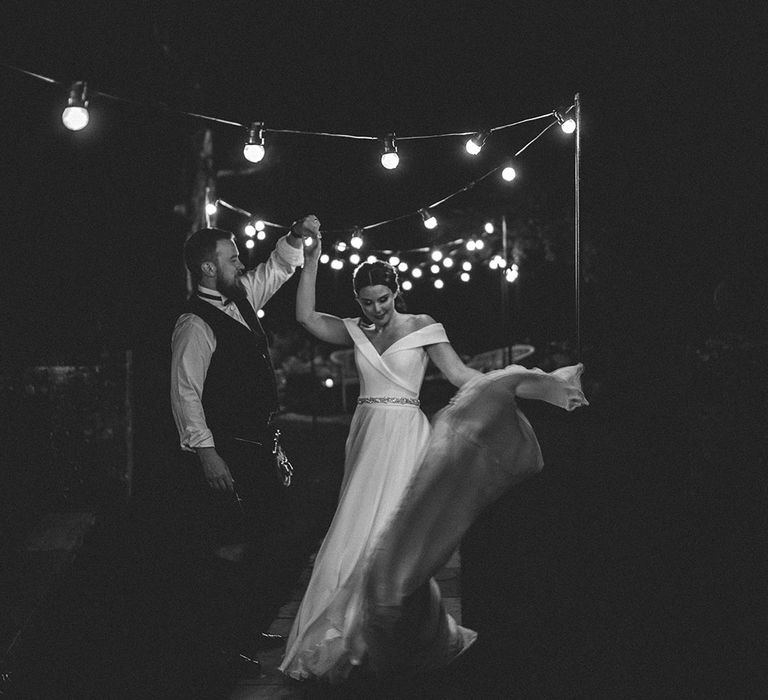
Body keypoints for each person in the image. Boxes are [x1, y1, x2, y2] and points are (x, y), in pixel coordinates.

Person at [279, 237, 588, 682]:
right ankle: (343, 629)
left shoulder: (422, 325)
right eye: (366, 303)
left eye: (383, 300)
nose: (376, 310)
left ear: (396, 291)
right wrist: (310, 262)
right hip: (366, 434)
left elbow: (461, 374)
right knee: (353, 527)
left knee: (394, 529)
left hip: (405, 433)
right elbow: (306, 317)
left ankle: (394, 630)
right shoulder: (355, 329)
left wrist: (515, 385)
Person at [167, 216, 320, 691]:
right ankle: (222, 647)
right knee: (229, 546)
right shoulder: (194, 322)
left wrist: (295, 239)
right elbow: (184, 392)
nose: (241, 263)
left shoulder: (242, 298)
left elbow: (276, 268)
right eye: (232, 258)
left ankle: (246, 630)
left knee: (264, 538)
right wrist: (206, 453)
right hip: (228, 452)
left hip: (257, 448)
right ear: (209, 269)